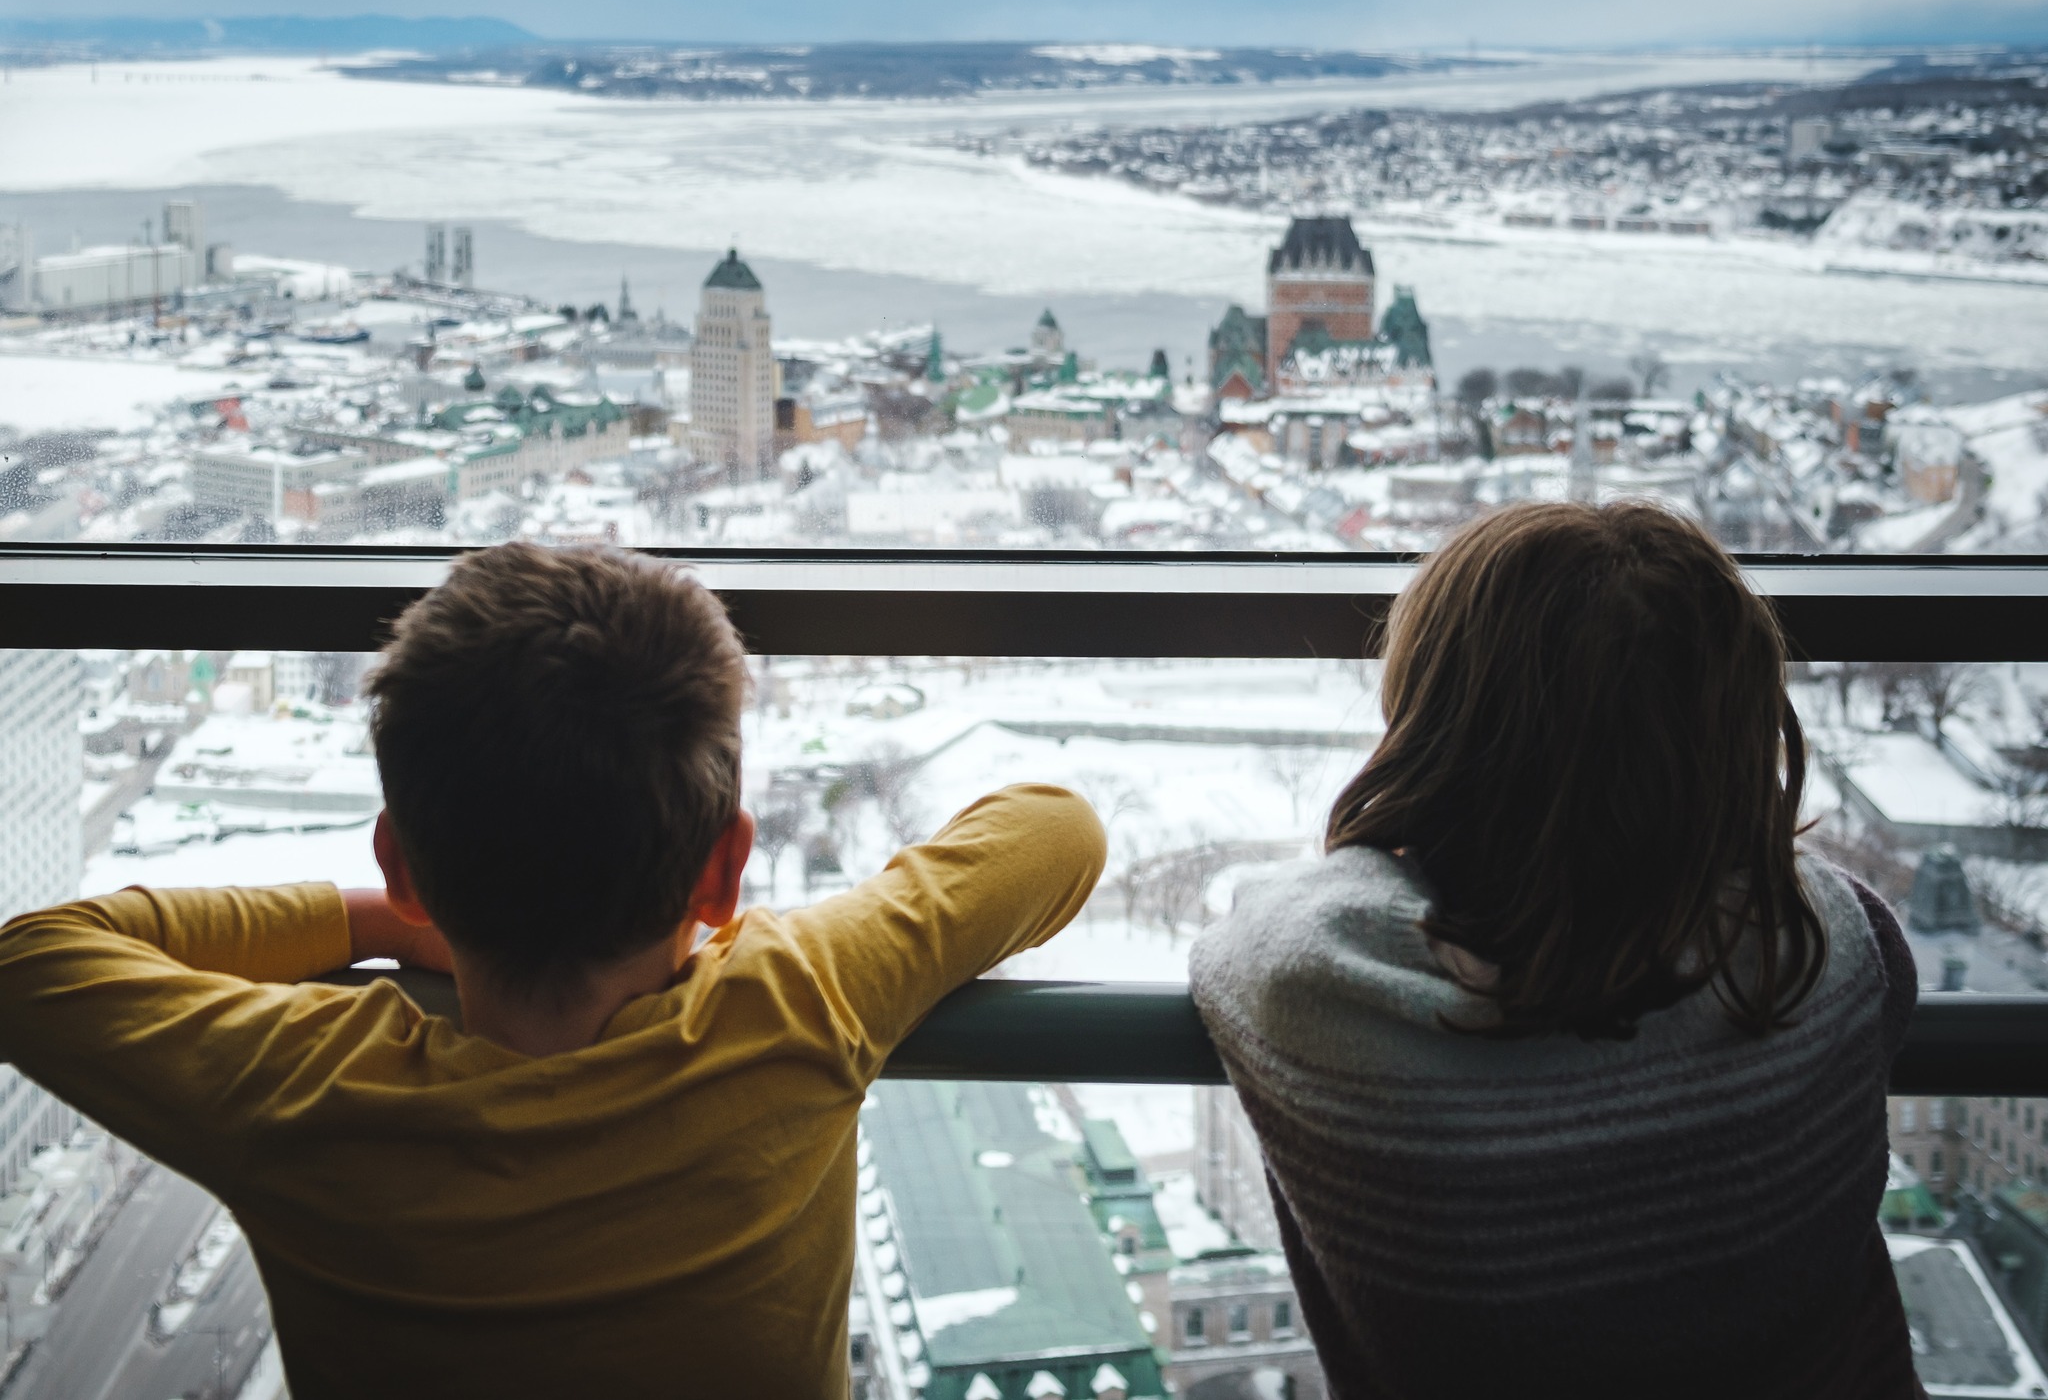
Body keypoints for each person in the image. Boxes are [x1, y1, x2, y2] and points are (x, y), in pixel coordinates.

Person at [0, 543, 1104, 1398]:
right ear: (723, 871)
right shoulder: (802, 998)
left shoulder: (300, 1091)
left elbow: (31, 960)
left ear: (405, 862)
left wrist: (374, 920)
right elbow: (1058, 831)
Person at [1190, 501, 1921, 1400]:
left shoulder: (1320, 990)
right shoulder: (1831, 952)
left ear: (1436, 724)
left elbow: (1256, 926)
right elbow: (1797, 886)